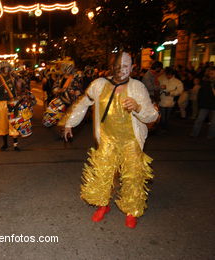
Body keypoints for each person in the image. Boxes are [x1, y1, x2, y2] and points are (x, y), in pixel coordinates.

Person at [63, 51, 159, 228]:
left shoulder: (138, 87)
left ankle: (132, 210)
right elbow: (84, 102)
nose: (121, 70)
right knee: (103, 174)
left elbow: (151, 116)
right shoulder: (99, 84)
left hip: (131, 140)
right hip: (107, 139)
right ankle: (103, 205)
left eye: (125, 66)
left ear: (131, 68)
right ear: (111, 67)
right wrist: (69, 123)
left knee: (133, 176)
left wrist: (137, 107)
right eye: (117, 66)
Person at [0, 61, 20, 151]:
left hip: (12, 102)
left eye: (8, 67)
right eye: (5, 68)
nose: (6, 69)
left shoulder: (13, 78)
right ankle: (5, 144)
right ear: (1, 69)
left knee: (14, 123)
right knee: (2, 124)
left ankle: (15, 144)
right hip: (1, 104)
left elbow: (19, 89)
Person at [190, 67, 215, 139]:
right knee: (199, 119)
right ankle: (194, 133)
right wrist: (200, 103)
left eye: (212, 74)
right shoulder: (205, 83)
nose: (211, 75)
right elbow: (201, 93)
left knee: (213, 122)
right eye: (210, 73)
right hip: (205, 105)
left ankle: (211, 135)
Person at [158, 67, 183, 131]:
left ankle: (165, 127)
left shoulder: (177, 82)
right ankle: (163, 128)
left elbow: (180, 91)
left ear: (172, 74)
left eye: (169, 75)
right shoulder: (161, 79)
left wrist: (171, 93)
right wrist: (161, 88)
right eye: (167, 74)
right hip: (162, 100)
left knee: (167, 116)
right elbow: (156, 87)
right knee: (162, 116)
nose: (168, 76)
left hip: (170, 101)